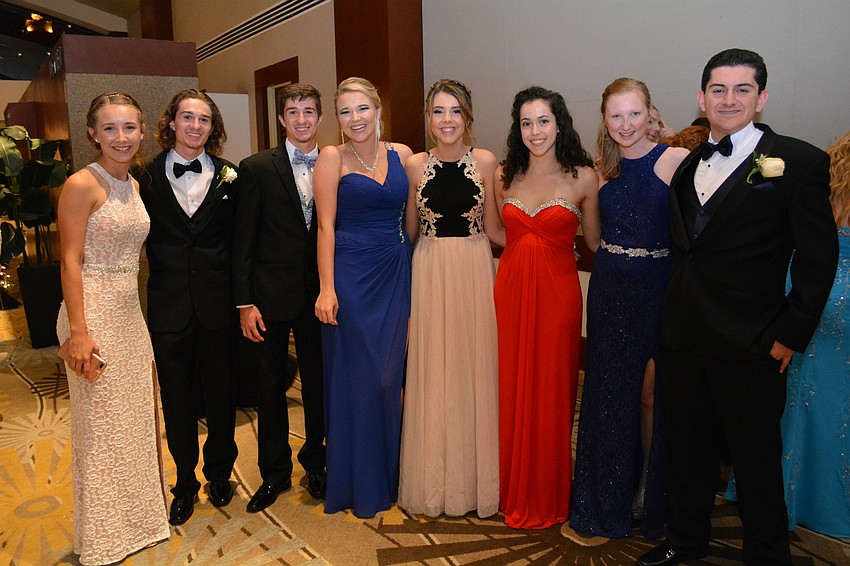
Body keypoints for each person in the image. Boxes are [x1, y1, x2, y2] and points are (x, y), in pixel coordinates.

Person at [637, 49, 838, 566]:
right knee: (688, 454)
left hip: (752, 344)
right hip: (684, 337)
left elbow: (818, 263)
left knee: (756, 462)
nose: (729, 100)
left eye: (742, 89)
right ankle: (685, 545)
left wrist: (789, 336)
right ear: (701, 97)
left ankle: (768, 555)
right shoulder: (685, 165)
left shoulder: (800, 163)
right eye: (718, 90)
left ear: (762, 97)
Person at [570, 78, 689, 540]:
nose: (625, 124)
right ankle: (610, 498)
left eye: (634, 114)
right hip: (611, 292)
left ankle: (651, 494)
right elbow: (594, 241)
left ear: (651, 113)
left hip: (661, 291)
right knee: (609, 396)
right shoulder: (602, 172)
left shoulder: (676, 160)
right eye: (616, 115)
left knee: (653, 396)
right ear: (604, 119)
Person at [56, 92, 170, 564]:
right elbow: (69, 261)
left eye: (129, 128)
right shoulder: (82, 184)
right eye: (110, 128)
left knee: (136, 422)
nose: (120, 138)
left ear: (143, 132)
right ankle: (103, 537)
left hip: (129, 314)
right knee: (101, 428)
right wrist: (78, 332)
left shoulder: (134, 186)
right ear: (92, 133)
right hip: (92, 314)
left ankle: (139, 523)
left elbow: (138, 252)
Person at [493, 86, 599, 529]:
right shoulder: (503, 176)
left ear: (560, 124)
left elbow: (594, 242)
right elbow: (497, 234)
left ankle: (549, 493)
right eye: (526, 123)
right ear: (518, 129)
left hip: (558, 295)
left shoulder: (584, 178)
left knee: (553, 388)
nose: (535, 131)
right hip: (512, 289)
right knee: (512, 384)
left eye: (543, 121)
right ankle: (511, 487)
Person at [398, 79, 501, 518]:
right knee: (434, 366)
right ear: (428, 118)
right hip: (431, 268)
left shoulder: (486, 161)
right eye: (438, 111)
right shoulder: (413, 165)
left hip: (475, 269)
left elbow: (496, 229)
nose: (446, 120)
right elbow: (409, 229)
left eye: (455, 111)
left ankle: (478, 483)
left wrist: (542, 246)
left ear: (468, 117)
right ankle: (434, 481)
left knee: (473, 366)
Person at [137, 89, 239, 526]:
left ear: (212, 127)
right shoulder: (144, 176)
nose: (196, 126)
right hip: (169, 307)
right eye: (188, 118)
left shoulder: (232, 176)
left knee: (221, 397)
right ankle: (184, 484)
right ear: (172, 123)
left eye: (204, 119)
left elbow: (239, 244)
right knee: (177, 401)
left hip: (218, 306)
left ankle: (219, 474)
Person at [314, 77, 414, 518]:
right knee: (360, 381)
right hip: (350, 277)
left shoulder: (404, 155)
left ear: (378, 110)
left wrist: (411, 264)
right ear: (337, 119)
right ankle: (358, 482)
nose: (355, 119)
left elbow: (413, 218)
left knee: (393, 380)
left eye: (362, 109)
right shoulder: (331, 158)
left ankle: (394, 475)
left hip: (395, 271)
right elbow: (325, 227)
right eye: (345, 112)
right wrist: (327, 287)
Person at [232, 83, 327, 512]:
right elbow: (243, 242)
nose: (302, 119)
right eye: (294, 112)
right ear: (282, 120)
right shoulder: (256, 168)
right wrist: (245, 302)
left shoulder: (337, 163)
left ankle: (318, 465)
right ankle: (274, 474)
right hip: (269, 299)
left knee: (319, 388)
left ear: (320, 118)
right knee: (270, 389)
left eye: (309, 111)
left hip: (324, 297)